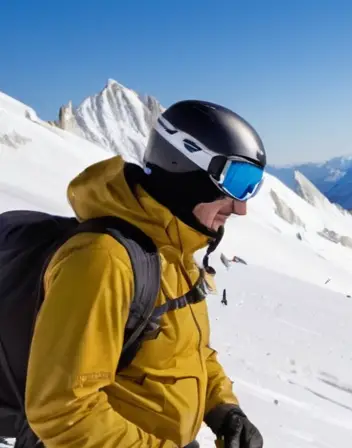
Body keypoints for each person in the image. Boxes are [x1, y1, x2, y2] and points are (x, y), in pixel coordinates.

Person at [23, 100, 266, 447]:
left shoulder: (175, 252)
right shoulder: (103, 260)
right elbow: (63, 411)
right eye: (237, 181)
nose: (241, 207)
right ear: (185, 167)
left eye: (252, 184)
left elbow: (189, 354)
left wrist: (224, 408)